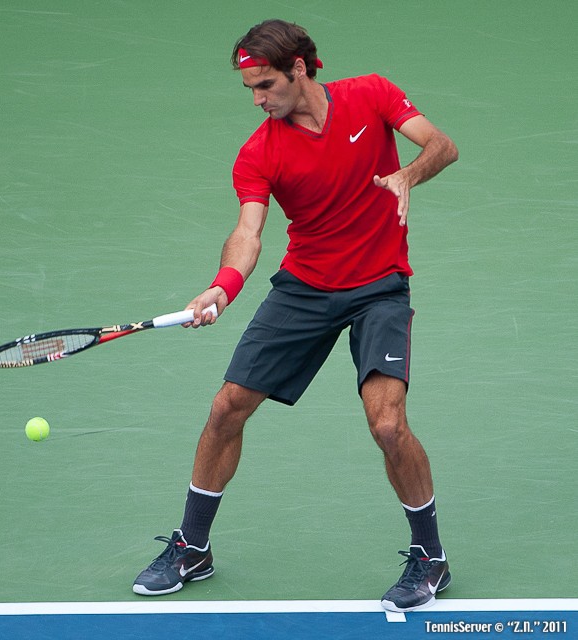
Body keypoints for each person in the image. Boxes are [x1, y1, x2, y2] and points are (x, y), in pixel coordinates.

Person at [133, 19, 458, 612]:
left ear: (299, 69)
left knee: (388, 425)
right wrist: (221, 287)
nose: (258, 100)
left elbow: (441, 144)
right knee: (226, 406)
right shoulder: (260, 152)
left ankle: (430, 559)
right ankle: (192, 546)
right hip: (305, 288)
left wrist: (407, 175)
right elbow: (249, 232)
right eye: (250, 89)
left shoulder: (372, 95)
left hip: (381, 286)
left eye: (265, 85)